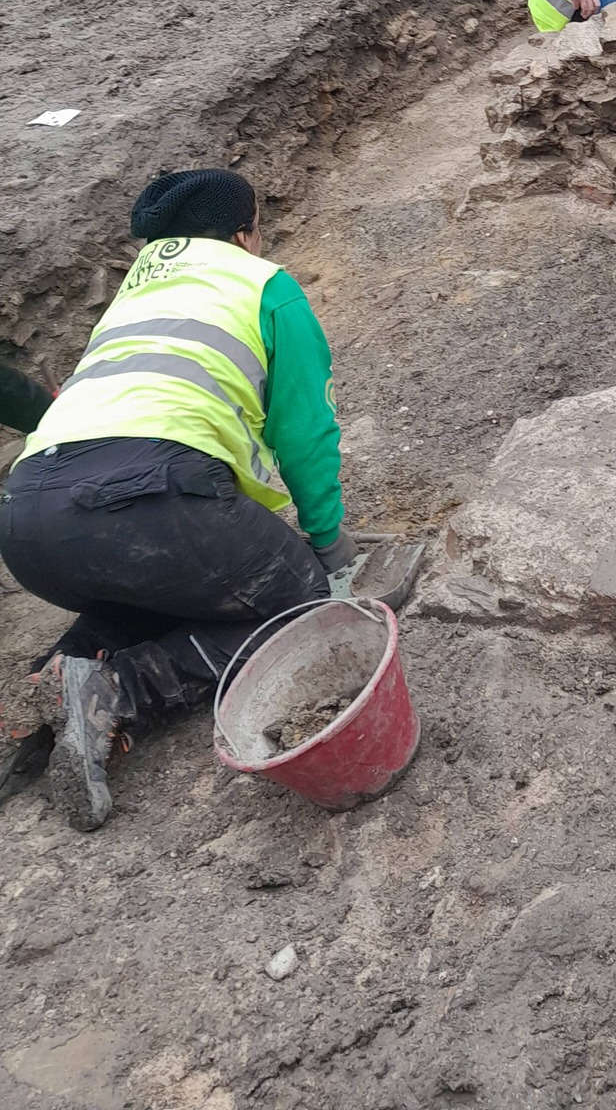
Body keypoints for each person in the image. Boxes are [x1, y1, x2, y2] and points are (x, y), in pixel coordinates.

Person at [0, 169, 353, 830]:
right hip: (150, 495)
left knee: (155, 584)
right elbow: (304, 431)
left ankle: (47, 695)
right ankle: (120, 691)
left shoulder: (134, 295)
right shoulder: (264, 285)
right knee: (302, 599)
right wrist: (329, 544)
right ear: (243, 232)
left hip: (25, 515)